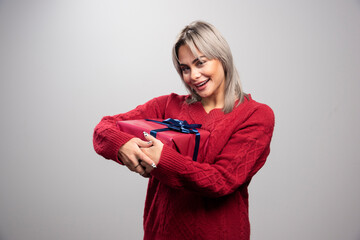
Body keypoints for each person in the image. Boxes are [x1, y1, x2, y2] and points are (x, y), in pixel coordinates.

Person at [93, 20, 275, 240]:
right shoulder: (167, 105)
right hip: (162, 233)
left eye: (201, 63)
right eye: (185, 68)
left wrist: (163, 159)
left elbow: (221, 181)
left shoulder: (255, 115)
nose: (194, 75)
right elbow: (103, 128)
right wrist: (122, 145)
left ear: (222, 58)